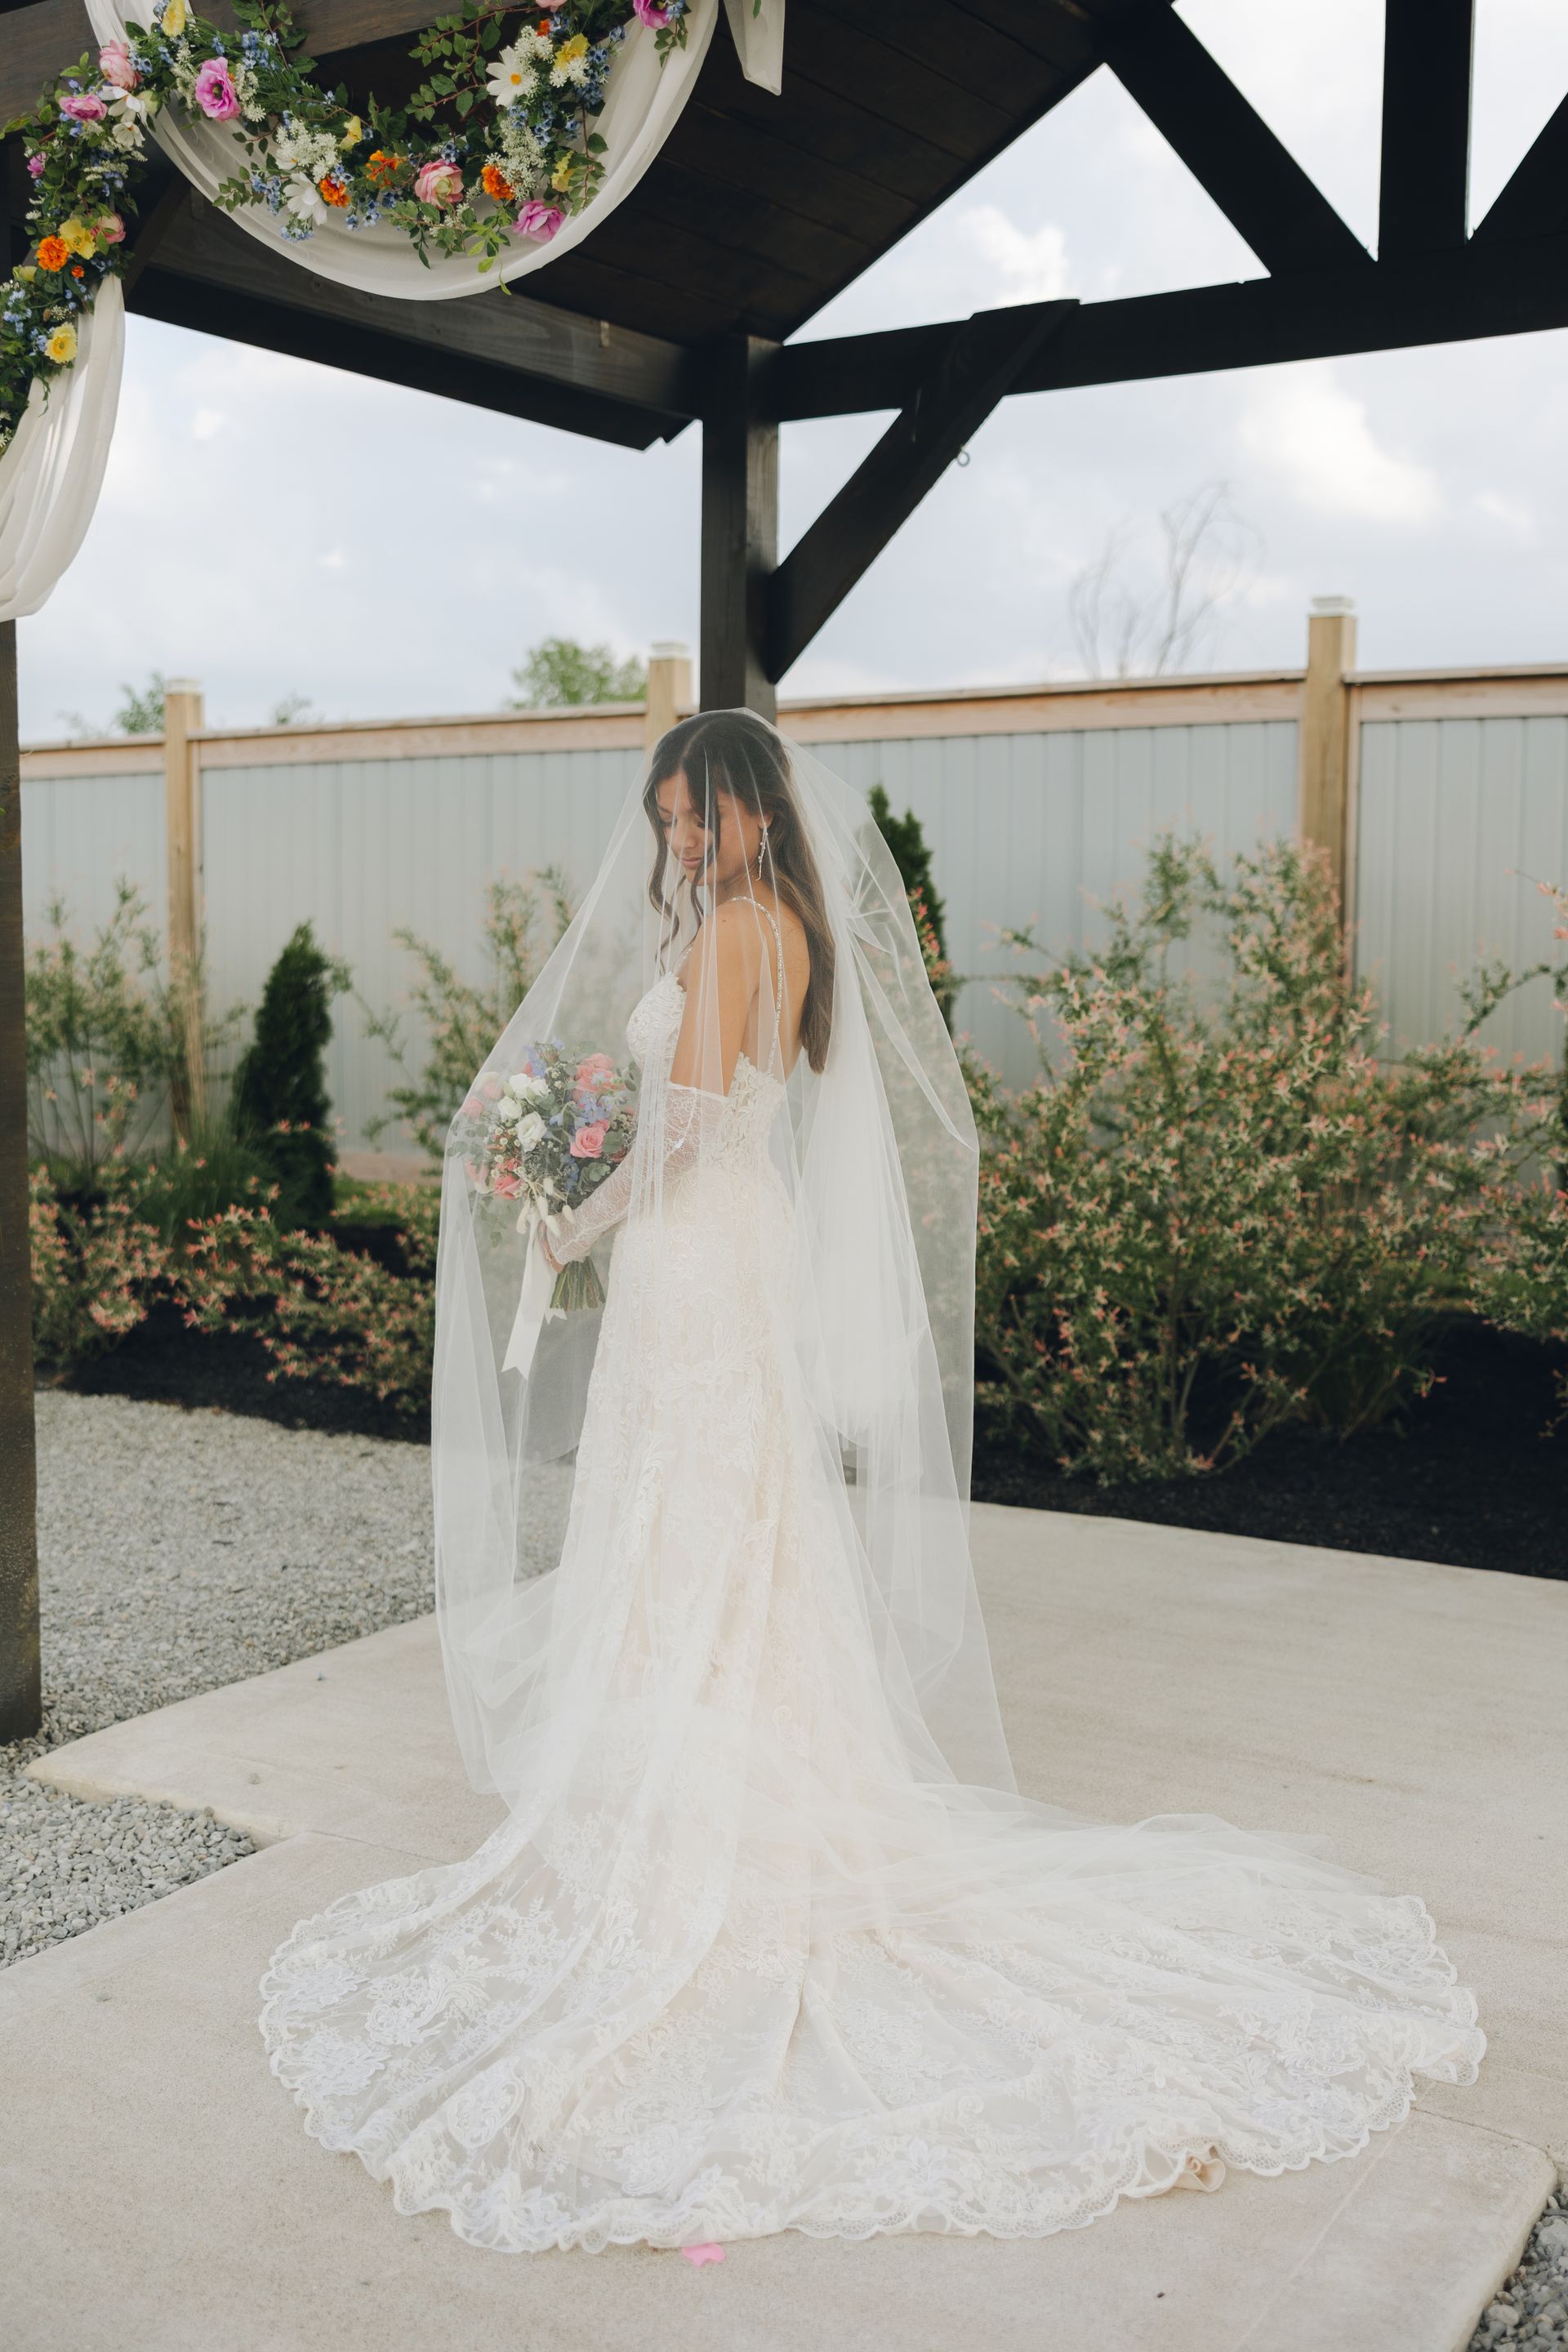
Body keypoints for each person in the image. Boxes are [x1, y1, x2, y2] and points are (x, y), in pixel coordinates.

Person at [260, 710, 1482, 2255]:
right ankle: (728, 1760)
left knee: (692, 1511)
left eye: (695, 820)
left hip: (697, 1258)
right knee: (732, 1518)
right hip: (730, 1258)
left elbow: (689, 1133)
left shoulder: (724, 943)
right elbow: (718, 1119)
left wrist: (570, 1216)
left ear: (754, 815)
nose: (677, 845)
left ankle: (688, 1808)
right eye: (667, 825)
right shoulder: (783, 934)